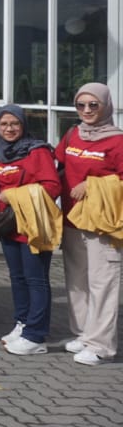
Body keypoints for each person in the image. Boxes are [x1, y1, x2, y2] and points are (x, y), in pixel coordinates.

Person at [56, 83, 123, 366]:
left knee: (103, 282)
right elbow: (57, 166)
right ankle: (83, 334)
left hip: (103, 225)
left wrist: (93, 185)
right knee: (77, 282)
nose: (86, 111)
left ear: (106, 106)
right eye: (80, 105)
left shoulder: (118, 141)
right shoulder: (73, 134)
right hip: (73, 220)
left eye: (93, 105)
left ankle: (101, 345)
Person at [0, 104, 61, 356]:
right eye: (4, 124)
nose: (9, 129)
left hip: (32, 227)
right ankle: (22, 323)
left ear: (23, 125)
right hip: (8, 226)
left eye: (15, 123)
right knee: (17, 278)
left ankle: (36, 335)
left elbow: (52, 186)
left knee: (36, 280)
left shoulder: (37, 151)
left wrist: (14, 195)